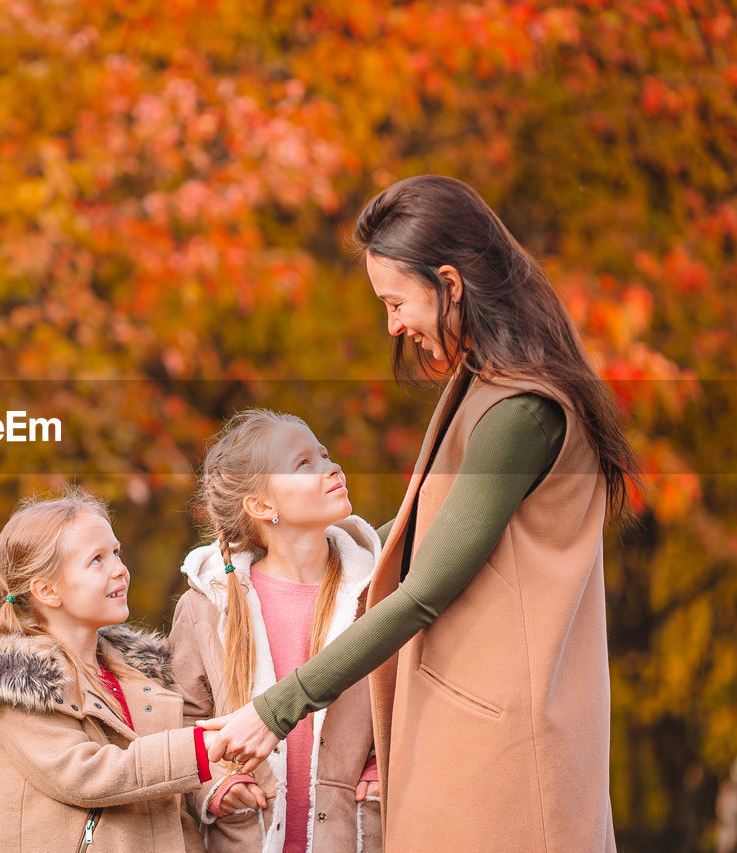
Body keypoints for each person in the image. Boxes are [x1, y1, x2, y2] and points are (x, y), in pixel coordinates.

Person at [198, 175, 635, 852]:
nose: (393, 323)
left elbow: (425, 589)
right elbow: (432, 538)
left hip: (504, 752)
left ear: (451, 284)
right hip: (469, 733)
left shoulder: (520, 409)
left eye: (397, 301)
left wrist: (277, 708)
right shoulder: (486, 387)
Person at [0, 489, 255, 852]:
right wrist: (202, 748)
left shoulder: (138, 675)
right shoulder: (20, 688)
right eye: (97, 559)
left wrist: (214, 788)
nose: (119, 569)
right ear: (47, 590)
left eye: (116, 552)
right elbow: (89, 775)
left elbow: (163, 770)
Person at [169, 409, 382, 852]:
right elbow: (180, 722)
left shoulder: (379, 595)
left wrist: (384, 773)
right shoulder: (205, 606)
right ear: (262, 506)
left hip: (356, 836)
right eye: (304, 463)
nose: (331, 466)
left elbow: (409, 701)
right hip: (248, 838)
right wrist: (214, 788)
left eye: (324, 454)